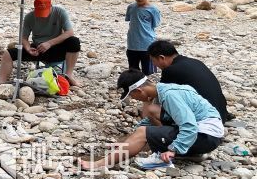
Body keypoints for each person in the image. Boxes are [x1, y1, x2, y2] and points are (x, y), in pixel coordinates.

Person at [80, 69, 224, 170]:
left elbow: (189, 125)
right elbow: (150, 124)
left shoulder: (170, 96)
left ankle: (98, 164)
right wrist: (126, 144)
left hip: (205, 136)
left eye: (133, 96)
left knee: (143, 132)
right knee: (151, 114)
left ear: (139, 91)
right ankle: (192, 154)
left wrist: (174, 150)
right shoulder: (163, 91)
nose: (135, 99)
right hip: (208, 135)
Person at [0, 0, 81, 86]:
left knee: (74, 41)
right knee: (8, 53)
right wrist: (28, 48)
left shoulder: (60, 12)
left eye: (44, 12)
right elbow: (23, 38)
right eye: (39, 12)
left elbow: (69, 32)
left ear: (51, 6)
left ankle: (68, 76)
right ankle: (2, 82)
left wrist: (49, 43)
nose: (42, 16)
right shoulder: (29, 17)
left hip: (56, 48)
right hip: (38, 49)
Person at [148, 40, 232, 122]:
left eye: (153, 61)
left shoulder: (170, 70)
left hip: (206, 119)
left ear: (161, 58)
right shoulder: (196, 62)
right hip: (221, 112)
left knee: (152, 111)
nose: (154, 65)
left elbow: (161, 94)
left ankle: (167, 133)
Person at [126, 0, 161, 74]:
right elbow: (130, 20)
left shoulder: (153, 10)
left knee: (148, 72)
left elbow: (155, 24)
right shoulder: (131, 7)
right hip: (132, 44)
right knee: (133, 70)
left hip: (147, 44)